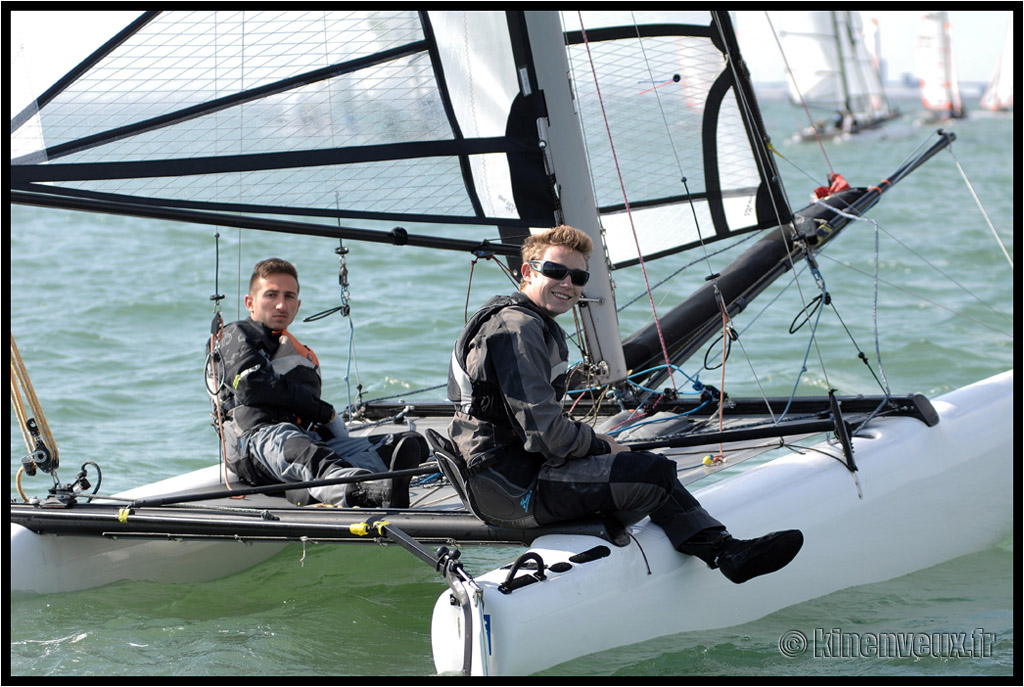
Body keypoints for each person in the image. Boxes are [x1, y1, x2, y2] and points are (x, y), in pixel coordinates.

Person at [447, 226, 803, 584]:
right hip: (512, 488)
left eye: (578, 276)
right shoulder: (517, 327)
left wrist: (604, 451)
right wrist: (603, 444)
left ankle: (723, 549)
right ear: (527, 272)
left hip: (512, 476)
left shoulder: (521, 320)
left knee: (643, 465)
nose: (567, 283)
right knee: (652, 474)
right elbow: (546, 435)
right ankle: (721, 551)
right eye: (555, 271)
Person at [210, 258, 423, 508]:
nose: (281, 304)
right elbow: (252, 386)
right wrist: (325, 412)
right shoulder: (235, 335)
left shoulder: (298, 351)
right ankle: (364, 492)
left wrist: (325, 424)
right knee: (305, 452)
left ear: (298, 305)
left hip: (305, 437)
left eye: (289, 296)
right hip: (257, 441)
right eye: (271, 295)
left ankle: (310, 489)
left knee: (408, 444)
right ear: (250, 302)